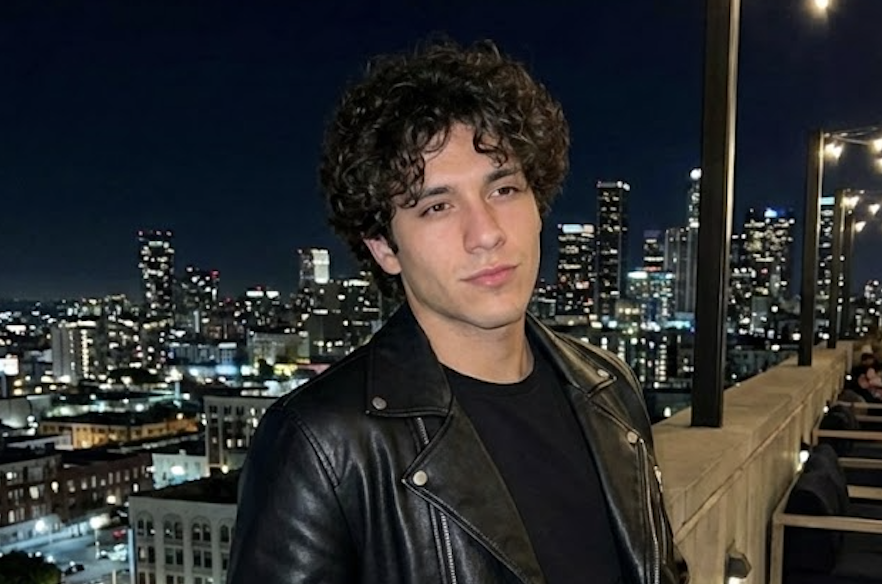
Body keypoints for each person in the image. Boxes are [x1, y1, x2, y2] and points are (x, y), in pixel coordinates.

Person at [227, 40, 688, 584]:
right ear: (384, 247)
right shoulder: (322, 444)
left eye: (504, 189)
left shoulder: (608, 387)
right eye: (438, 206)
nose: (486, 233)